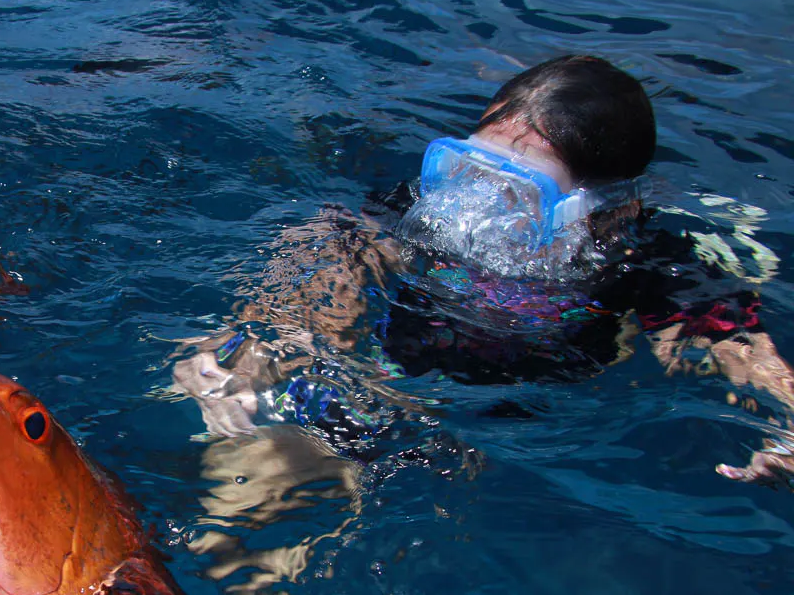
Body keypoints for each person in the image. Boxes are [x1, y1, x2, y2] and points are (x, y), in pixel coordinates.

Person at [174, 54, 794, 487]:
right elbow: (327, 256)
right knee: (217, 440)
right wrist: (244, 347)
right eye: (469, 172)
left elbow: (743, 355)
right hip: (381, 390)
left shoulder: (650, 265)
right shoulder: (429, 210)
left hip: (499, 439)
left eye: (518, 192)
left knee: (249, 491)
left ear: (603, 208)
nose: (478, 206)